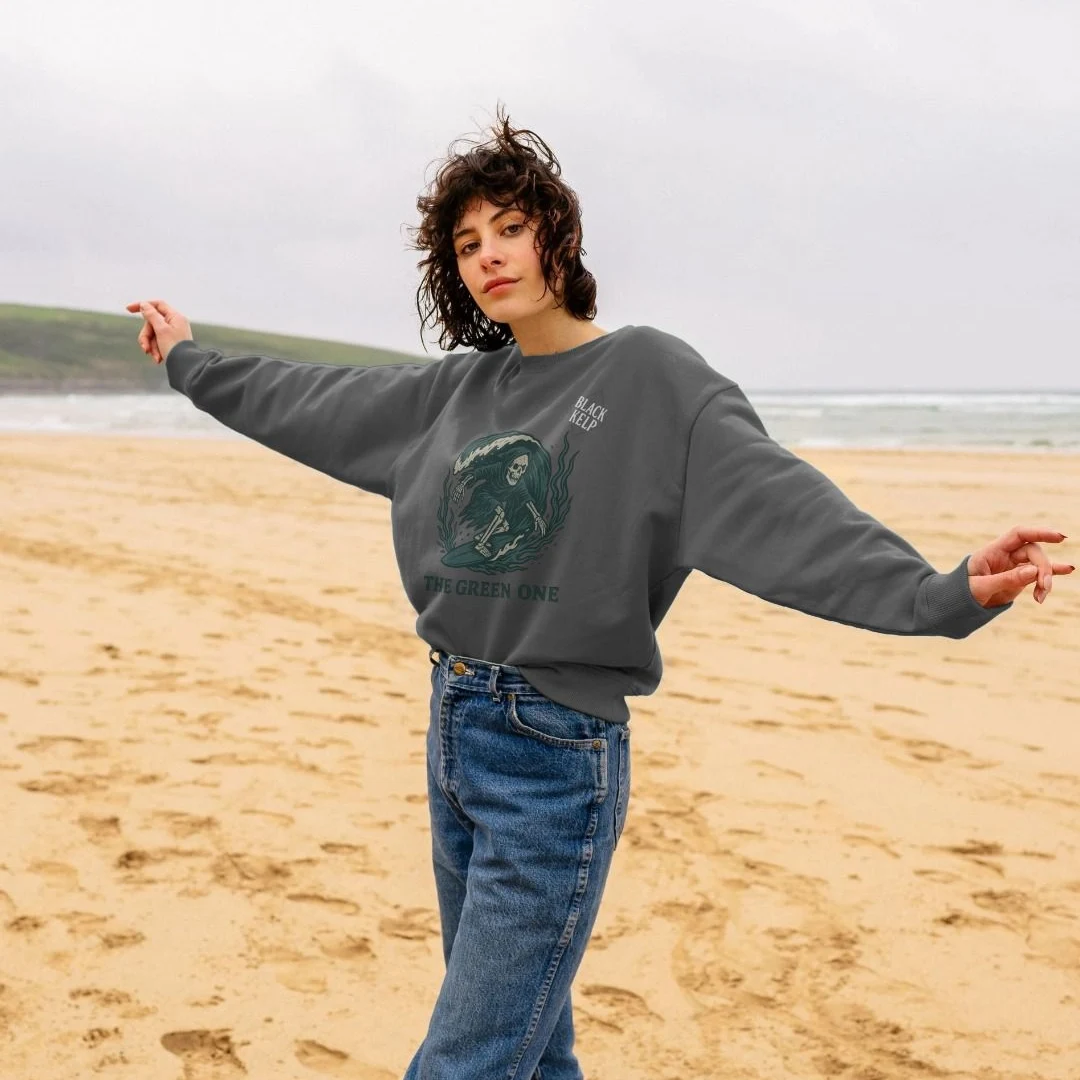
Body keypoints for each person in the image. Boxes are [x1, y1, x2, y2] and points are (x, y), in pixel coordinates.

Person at [126, 104, 1072, 1079]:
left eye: (510, 228)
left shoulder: (651, 378)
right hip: (454, 725)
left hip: (552, 754)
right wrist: (191, 360)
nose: (489, 256)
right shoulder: (454, 394)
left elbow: (784, 510)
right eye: (467, 244)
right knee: (531, 1052)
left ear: (559, 236)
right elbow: (308, 400)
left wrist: (939, 592)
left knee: (467, 1061)